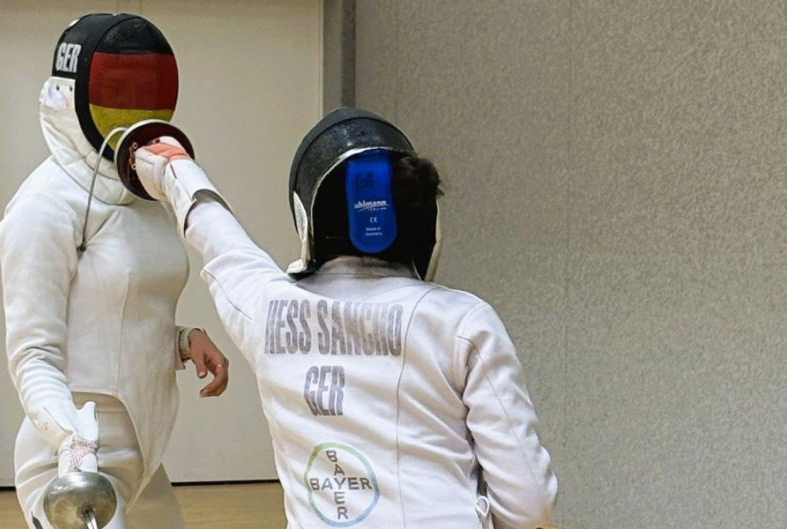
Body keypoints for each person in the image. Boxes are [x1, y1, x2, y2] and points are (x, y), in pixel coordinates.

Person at [131, 107, 558, 529]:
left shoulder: (267, 309)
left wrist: (172, 168)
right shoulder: (465, 323)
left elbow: (220, 240)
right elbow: (528, 505)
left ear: (307, 217)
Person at [0, 14, 229, 529]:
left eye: (148, 94)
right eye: (117, 94)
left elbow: (114, 318)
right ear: (75, 94)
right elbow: (33, 355)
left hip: (145, 457)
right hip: (77, 464)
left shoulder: (142, 193)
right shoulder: (43, 205)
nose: (133, 111)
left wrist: (184, 340)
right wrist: (72, 446)